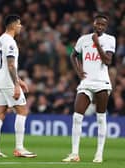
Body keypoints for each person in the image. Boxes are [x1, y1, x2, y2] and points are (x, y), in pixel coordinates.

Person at [62, 13, 116, 163]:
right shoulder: (83, 39)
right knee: (77, 116)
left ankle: (99, 154)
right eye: (98, 24)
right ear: (93, 23)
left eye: (103, 25)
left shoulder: (110, 40)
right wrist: (79, 71)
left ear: (106, 26)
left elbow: (107, 61)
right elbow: (73, 55)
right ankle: (74, 153)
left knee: (100, 118)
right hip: (86, 83)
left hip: (102, 83)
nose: (100, 26)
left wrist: (97, 44)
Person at [0, 14, 37, 158]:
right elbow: (10, 65)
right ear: (14, 25)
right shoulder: (10, 42)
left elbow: (6, 65)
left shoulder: (1, 39)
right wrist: (16, 85)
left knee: (0, 113)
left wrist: (19, 80)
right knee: (22, 111)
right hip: (8, 83)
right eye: (19, 24)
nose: (21, 26)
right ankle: (19, 148)